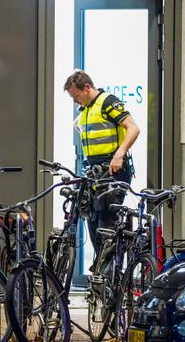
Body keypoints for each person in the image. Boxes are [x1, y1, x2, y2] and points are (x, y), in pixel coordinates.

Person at [63, 69, 140, 250]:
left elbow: (133, 128)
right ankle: (100, 269)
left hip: (113, 170)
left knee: (107, 223)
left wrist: (120, 154)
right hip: (94, 173)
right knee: (92, 220)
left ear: (87, 87)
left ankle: (110, 272)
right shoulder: (85, 111)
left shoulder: (108, 102)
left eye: (76, 96)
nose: (75, 101)